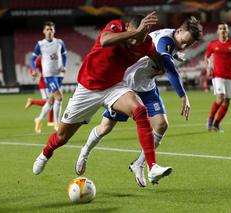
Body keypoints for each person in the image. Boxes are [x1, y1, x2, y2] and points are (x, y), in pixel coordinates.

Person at [32, 12, 173, 185]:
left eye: (141, 38)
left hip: (114, 87)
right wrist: (135, 33)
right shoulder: (115, 26)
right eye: (134, 36)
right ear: (128, 27)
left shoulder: (145, 43)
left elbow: (156, 56)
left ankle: (152, 167)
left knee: (139, 110)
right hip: (87, 88)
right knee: (61, 137)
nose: (136, 42)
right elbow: (105, 40)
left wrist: (161, 65)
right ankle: (45, 153)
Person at [74, 17, 203, 187]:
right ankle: (85, 151)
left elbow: (166, 55)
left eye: (189, 45)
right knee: (106, 127)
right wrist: (183, 95)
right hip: (127, 85)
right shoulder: (165, 40)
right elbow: (169, 67)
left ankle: (139, 164)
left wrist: (176, 54)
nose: (184, 46)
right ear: (178, 31)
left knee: (162, 125)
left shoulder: (171, 41)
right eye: (184, 42)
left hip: (147, 86)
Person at [205, 23, 231, 133]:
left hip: (230, 76)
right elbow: (207, 57)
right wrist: (208, 67)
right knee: (220, 98)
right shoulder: (213, 44)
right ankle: (210, 119)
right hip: (217, 75)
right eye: (221, 28)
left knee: (227, 101)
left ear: (228, 31)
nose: (223, 30)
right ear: (218, 31)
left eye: (225, 29)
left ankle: (216, 125)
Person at [31, 21, 67, 133]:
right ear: (43, 31)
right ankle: (57, 123)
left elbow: (65, 55)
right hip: (49, 75)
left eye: (51, 29)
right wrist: (33, 69)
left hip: (59, 74)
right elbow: (32, 58)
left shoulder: (60, 42)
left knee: (51, 101)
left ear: (54, 30)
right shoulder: (40, 44)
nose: (49, 31)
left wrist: (64, 66)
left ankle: (39, 119)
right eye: (47, 29)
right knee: (59, 98)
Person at [24, 56, 54, 126]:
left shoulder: (53, 56)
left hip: (51, 82)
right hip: (44, 83)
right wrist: (33, 73)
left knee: (51, 102)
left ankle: (51, 121)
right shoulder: (40, 58)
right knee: (50, 102)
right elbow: (32, 67)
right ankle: (50, 121)